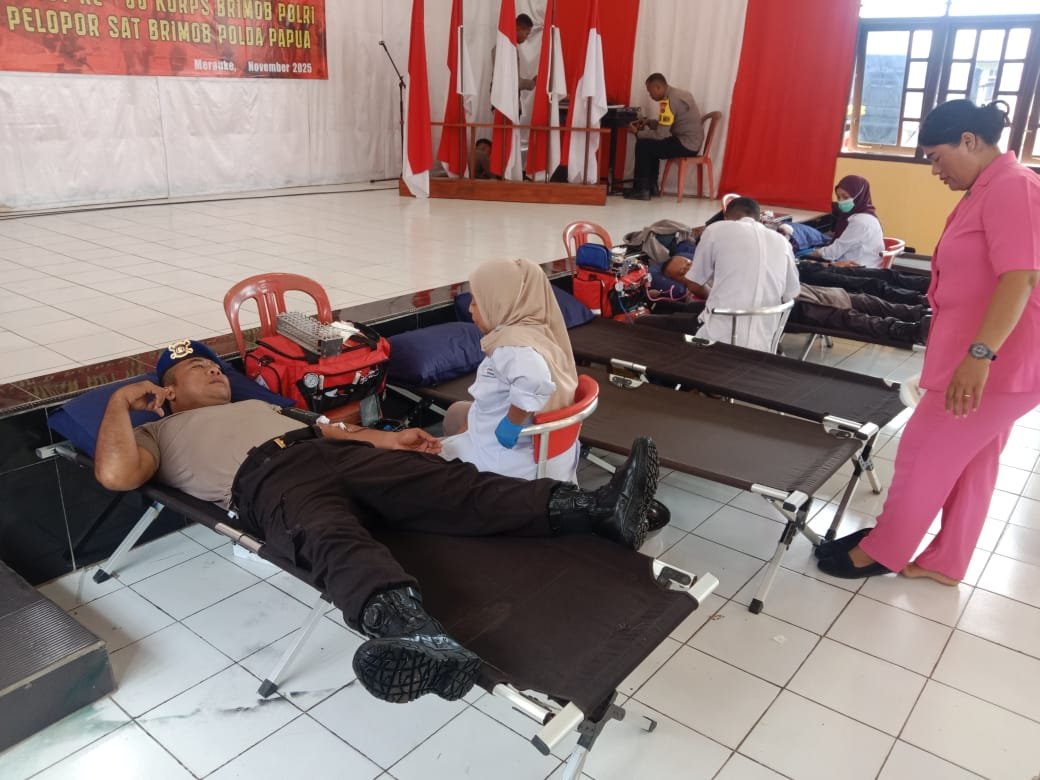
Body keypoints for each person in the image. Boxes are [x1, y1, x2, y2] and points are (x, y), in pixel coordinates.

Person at [94, 339, 661, 703]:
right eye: (196, 369)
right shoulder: (153, 433)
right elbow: (117, 475)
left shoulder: (255, 404)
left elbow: (331, 431)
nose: (214, 372)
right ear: (168, 392)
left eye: (216, 365)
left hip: (331, 454)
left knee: (456, 486)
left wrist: (391, 440)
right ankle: (408, 629)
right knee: (329, 537)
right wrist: (119, 404)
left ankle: (596, 512)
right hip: (268, 481)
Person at [816, 99, 1040, 585]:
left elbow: (1021, 277)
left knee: (924, 449)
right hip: (988, 354)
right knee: (974, 460)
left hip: (999, 360)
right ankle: (947, 561)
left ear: (969, 141)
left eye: (937, 157)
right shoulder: (988, 187)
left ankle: (884, 549)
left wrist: (979, 356)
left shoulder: (1013, 186)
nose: (935, 170)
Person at [441, 258, 581, 481]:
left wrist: (511, 424)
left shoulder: (512, 346)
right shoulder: (539, 329)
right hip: (549, 455)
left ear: (499, 302)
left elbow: (535, 381)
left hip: (504, 462)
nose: (469, 308)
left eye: (476, 301)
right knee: (456, 416)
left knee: (425, 466)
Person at [669, 197, 800, 351]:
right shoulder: (782, 242)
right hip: (765, 344)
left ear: (726, 217)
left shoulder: (716, 230)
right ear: (759, 219)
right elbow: (792, 293)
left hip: (716, 339)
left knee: (650, 323)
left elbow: (694, 283)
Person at [624, 74, 704, 201]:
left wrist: (637, 133)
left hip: (686, 144)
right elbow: (668, 125)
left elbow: (660, 134)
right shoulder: (680, 94)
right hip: (693, 143)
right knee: (652, 145)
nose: (650, 95)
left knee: (643, 144)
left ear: (658, 87)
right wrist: (649, 122)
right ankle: (652, 187)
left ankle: (642, 190)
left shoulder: (668, 102)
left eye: (650, 91)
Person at [806, 175, 885, 267]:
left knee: (806, 266)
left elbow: (834, 252)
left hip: (858, 269)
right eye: (838, 197)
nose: (841, 201)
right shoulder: (868, 215)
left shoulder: (860, 221)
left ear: (859, 196)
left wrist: (803, 254)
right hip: (861, 263)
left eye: (846, 197)